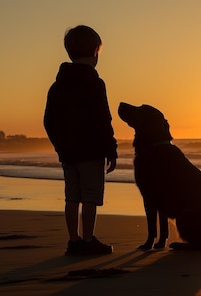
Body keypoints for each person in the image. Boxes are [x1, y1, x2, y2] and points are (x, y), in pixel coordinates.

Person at [44, 25, 118, 256]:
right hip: (91, 152)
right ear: (95, 52)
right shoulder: (95, 83)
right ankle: (87, 240)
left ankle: (73, 241)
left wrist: (60, 145)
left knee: (72, 197)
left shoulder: (57, 86)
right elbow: (102, 120)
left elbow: (48, 121)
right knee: (90, 197)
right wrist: (111, 150)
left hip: (68, 153)